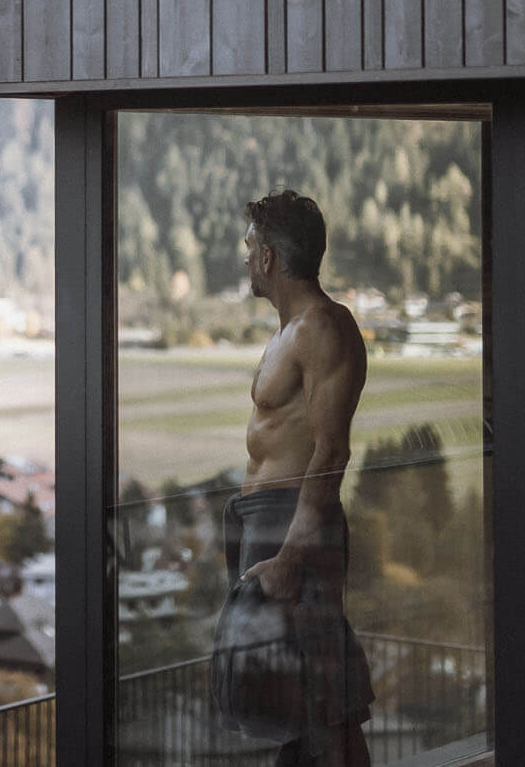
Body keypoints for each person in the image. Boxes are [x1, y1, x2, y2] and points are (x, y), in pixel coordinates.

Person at [221, 189, 374, 765]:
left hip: (294, 527)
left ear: (267, 257)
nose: (244, 259)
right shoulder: (291, 330)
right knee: (292, 690)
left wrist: (290, 555)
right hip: (265, 521)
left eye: (248, 246)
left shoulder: (322, 327)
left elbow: (331, 449)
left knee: (320, 695)